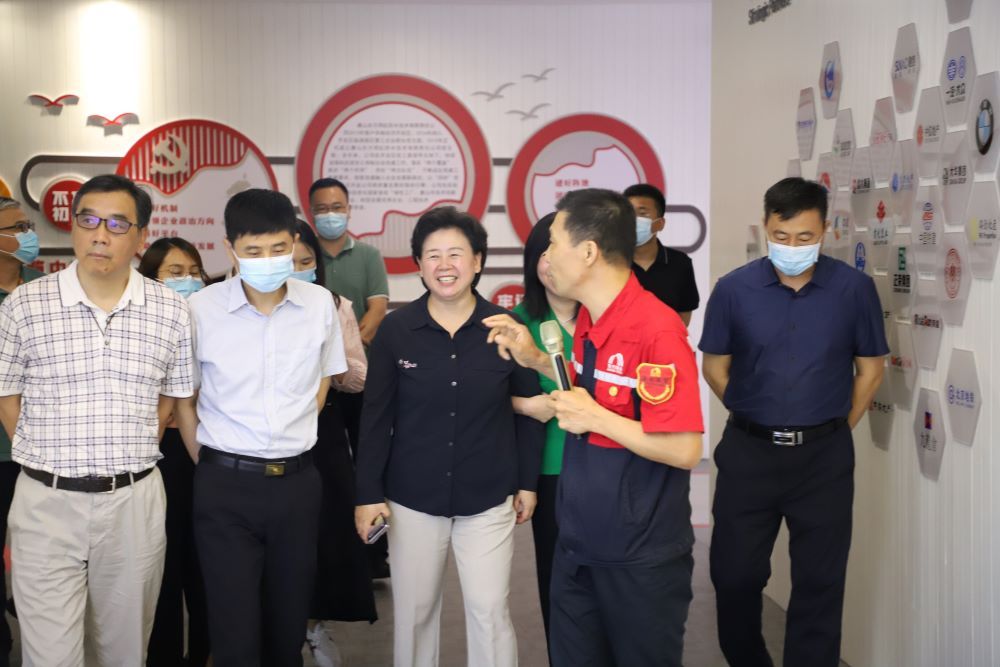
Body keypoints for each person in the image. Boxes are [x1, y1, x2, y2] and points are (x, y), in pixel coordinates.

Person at [484, 188, 703, 666]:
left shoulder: (657, 330)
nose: (545, 257)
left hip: (639, 555)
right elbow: (591, 390)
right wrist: (536, 359)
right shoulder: (590, 320)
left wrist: (597, 419)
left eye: (553, 243)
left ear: (587, 252)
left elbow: (684, 447)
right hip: (578, 541)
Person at [0, 174, 195, 665]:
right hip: (46, 503)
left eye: (116, 224)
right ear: (73, 227)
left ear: (141, 235)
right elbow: (7, 396)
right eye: (87, 221)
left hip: (133, 502)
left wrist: (129, 447)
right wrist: (47, 459)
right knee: (50, 656)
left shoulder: (170, 310)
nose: (100, 235)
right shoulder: (25, 304)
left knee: (124, 651)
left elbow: (171, 399)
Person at [699, 177, 887, 667]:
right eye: (781, 236)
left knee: (820, 583)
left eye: (805, 237)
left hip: (823, 459)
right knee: (734, 575)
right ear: (766, 227)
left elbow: (870, 371)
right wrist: (753, 410)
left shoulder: (854, 290)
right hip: (749, 453)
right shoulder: (733, 290)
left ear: (825, 230)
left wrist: (834, 428)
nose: (792, 246)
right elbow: (714, 367)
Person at [354, 206, 543, 667]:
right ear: (419, 265)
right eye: (433, 255)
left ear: (477, 262)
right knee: (415, 615)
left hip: (489, 495)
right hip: (412, 497)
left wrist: (527, 483)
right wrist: (368, 494)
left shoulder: (507, 328)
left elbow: (529, 411)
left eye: (456, 254)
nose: (445, 265)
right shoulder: (397, 330)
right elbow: (375, 418)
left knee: (489, 611)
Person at [174, 189, 348, 667]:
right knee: (234, 631)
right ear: (229, 248)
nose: (268, 260)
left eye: (278, 248)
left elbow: (325, 377)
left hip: (297, 483)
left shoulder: (319, 304)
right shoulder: (200, 309)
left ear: (293, 243)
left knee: (287, 626)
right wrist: (209, 463)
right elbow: (185, 398)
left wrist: (295, 429)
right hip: (225, 486)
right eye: (253, 250)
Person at [291, 219, 376, 666]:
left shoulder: (334, 304)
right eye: (288, 261)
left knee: (323, 536)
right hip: (266, 437)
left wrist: (335, 364)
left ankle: (314, 626)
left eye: (306, 262)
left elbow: (359, 377)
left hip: (322, 434)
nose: (297, 270)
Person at [309, 177, 391, 576]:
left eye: (337, 207)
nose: (330, 215)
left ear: (349, 209)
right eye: (322, 209)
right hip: (313, 385)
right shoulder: (304, 254)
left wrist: (343, 349)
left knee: (367, 461)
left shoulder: (368, 256)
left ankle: (375, 553)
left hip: (358, 376)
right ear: (312, 213)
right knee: (330, 468)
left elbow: (376, 310)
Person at [138, 238, 211, 667]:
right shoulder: (138, 325)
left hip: (204, 451)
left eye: (194, 272)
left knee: (205, 566)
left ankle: (205, 653)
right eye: (175, 273)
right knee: (161, 566)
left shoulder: (215, 322)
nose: (188, 280)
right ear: (150, 278)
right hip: (155, 456)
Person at [508, 213, 575, 654]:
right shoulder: (516, 321)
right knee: (558, 581)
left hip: (611, 465)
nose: (551, 264)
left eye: (559, 252)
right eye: (542, 254)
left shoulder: (606, 317)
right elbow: (489, 397)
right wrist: (527, 405)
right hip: (550, 471)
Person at [0, 197, 42, 667]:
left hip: (40, 451)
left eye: (27, 224)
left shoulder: (41, 290)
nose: (28, 235)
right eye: (16, 227)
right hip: (2, 450)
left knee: (38, 555)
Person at [623, 183, 699, 325]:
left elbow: (683, 318)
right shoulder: (611, 262)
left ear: (660, 223)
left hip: (665, 338)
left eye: (642, 214)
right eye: (629, 213)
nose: (633, 220)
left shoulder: (680, 264)